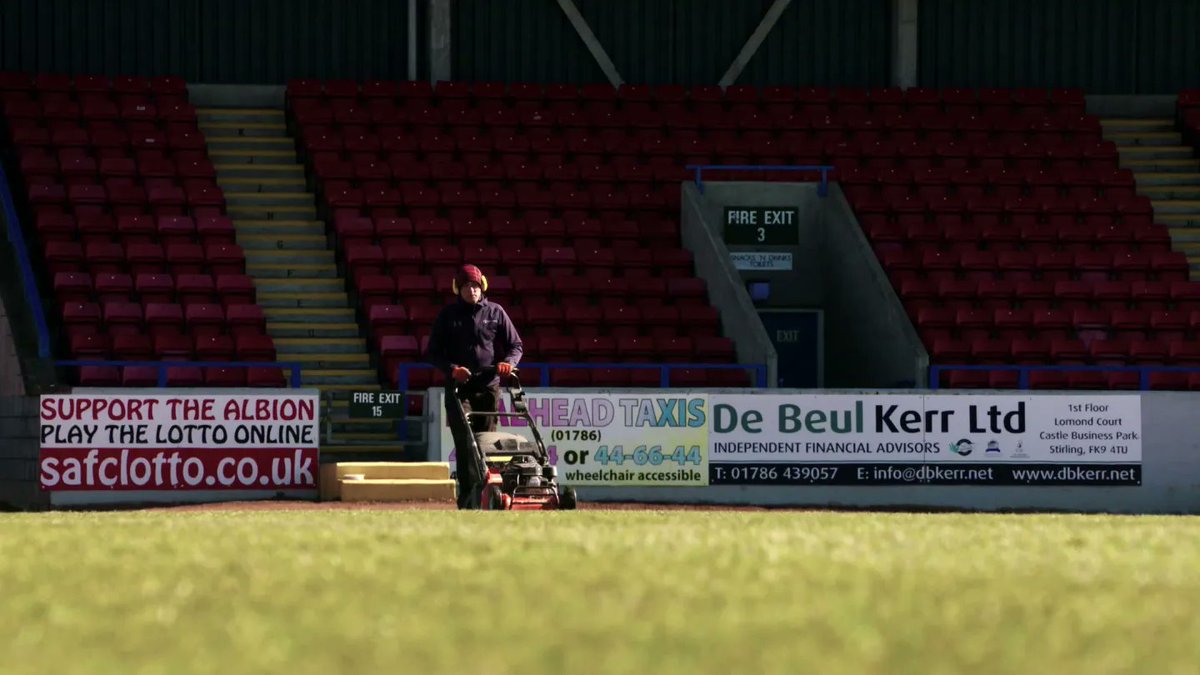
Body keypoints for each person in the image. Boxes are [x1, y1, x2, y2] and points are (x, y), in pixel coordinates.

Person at [425, 263, 523, 509]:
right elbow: (433, 352)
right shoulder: (447, 316)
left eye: (476, 285)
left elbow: (516, 346)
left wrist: (508, 364)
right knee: (466, 443)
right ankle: (469, 499)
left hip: (489, 386)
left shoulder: (496, 312)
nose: (472, 290)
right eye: (467, 285)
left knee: (489, 442)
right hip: (459, 389)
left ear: (483, 287)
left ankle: (491, 492)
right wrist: (451, 370)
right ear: (458, 289)